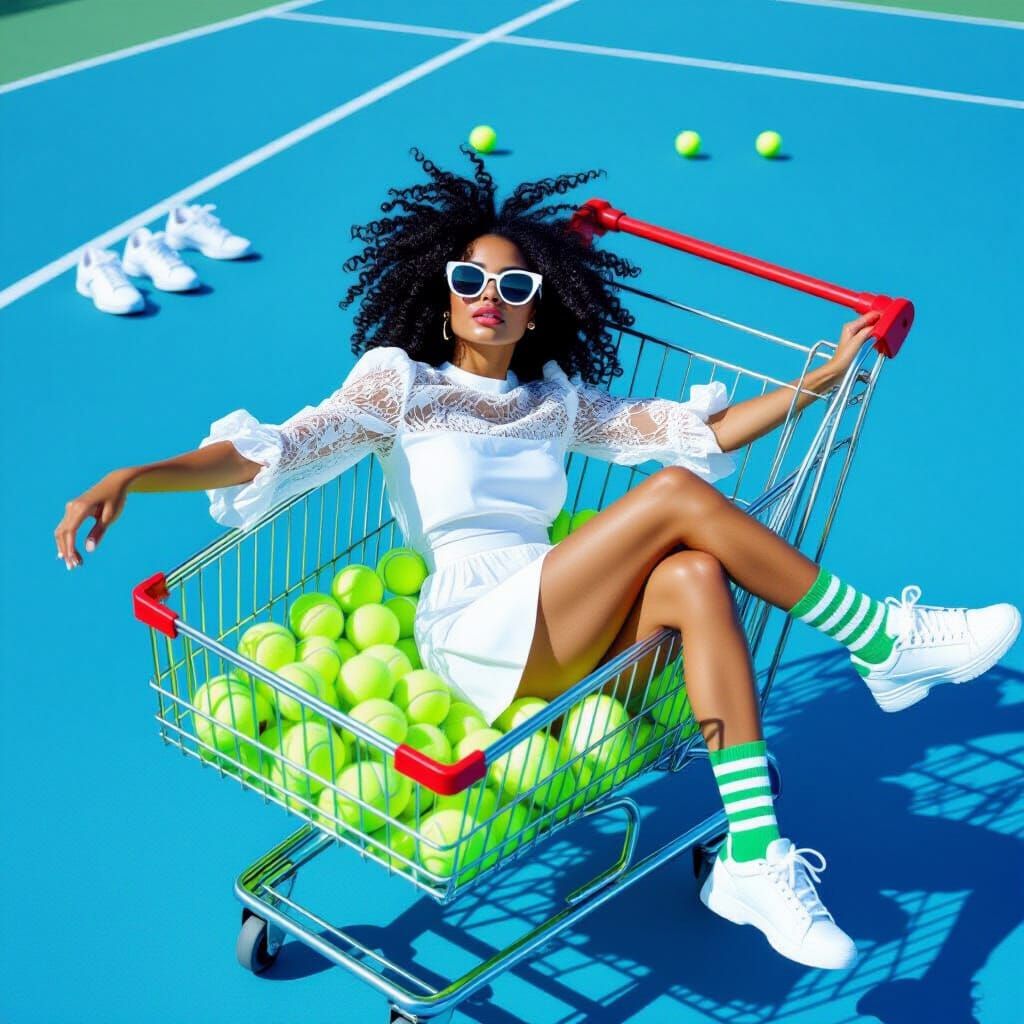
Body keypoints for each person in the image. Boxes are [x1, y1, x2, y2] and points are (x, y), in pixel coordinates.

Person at [54, 147, 1020, 972]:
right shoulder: (400, 387)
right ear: (439, 289)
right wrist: (137, 474)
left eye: (515, 287)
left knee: (690, 574)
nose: (490, 298)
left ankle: (756, 862)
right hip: (473, 628)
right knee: (675, 505)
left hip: (554, 621)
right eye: (470, 280)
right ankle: (883, 642)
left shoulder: (556, 402)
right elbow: (280, 446)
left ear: (534, 308)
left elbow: (700, 433)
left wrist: (824, 379)